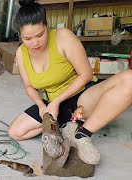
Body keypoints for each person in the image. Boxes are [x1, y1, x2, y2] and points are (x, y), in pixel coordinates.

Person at [8, 0, 132, 165]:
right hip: (53, 103)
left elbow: (86, 74)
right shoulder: (21, 53)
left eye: (40, 35)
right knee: (16, 132)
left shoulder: (63, 37)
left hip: (81, 96)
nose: (35, 43)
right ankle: (69, 124)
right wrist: (41, 105)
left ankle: (83, 133)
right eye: (27, 38)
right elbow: (29, 87)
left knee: (129, 79)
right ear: (20, 35)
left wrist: (57, 102)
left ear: (47, 26)